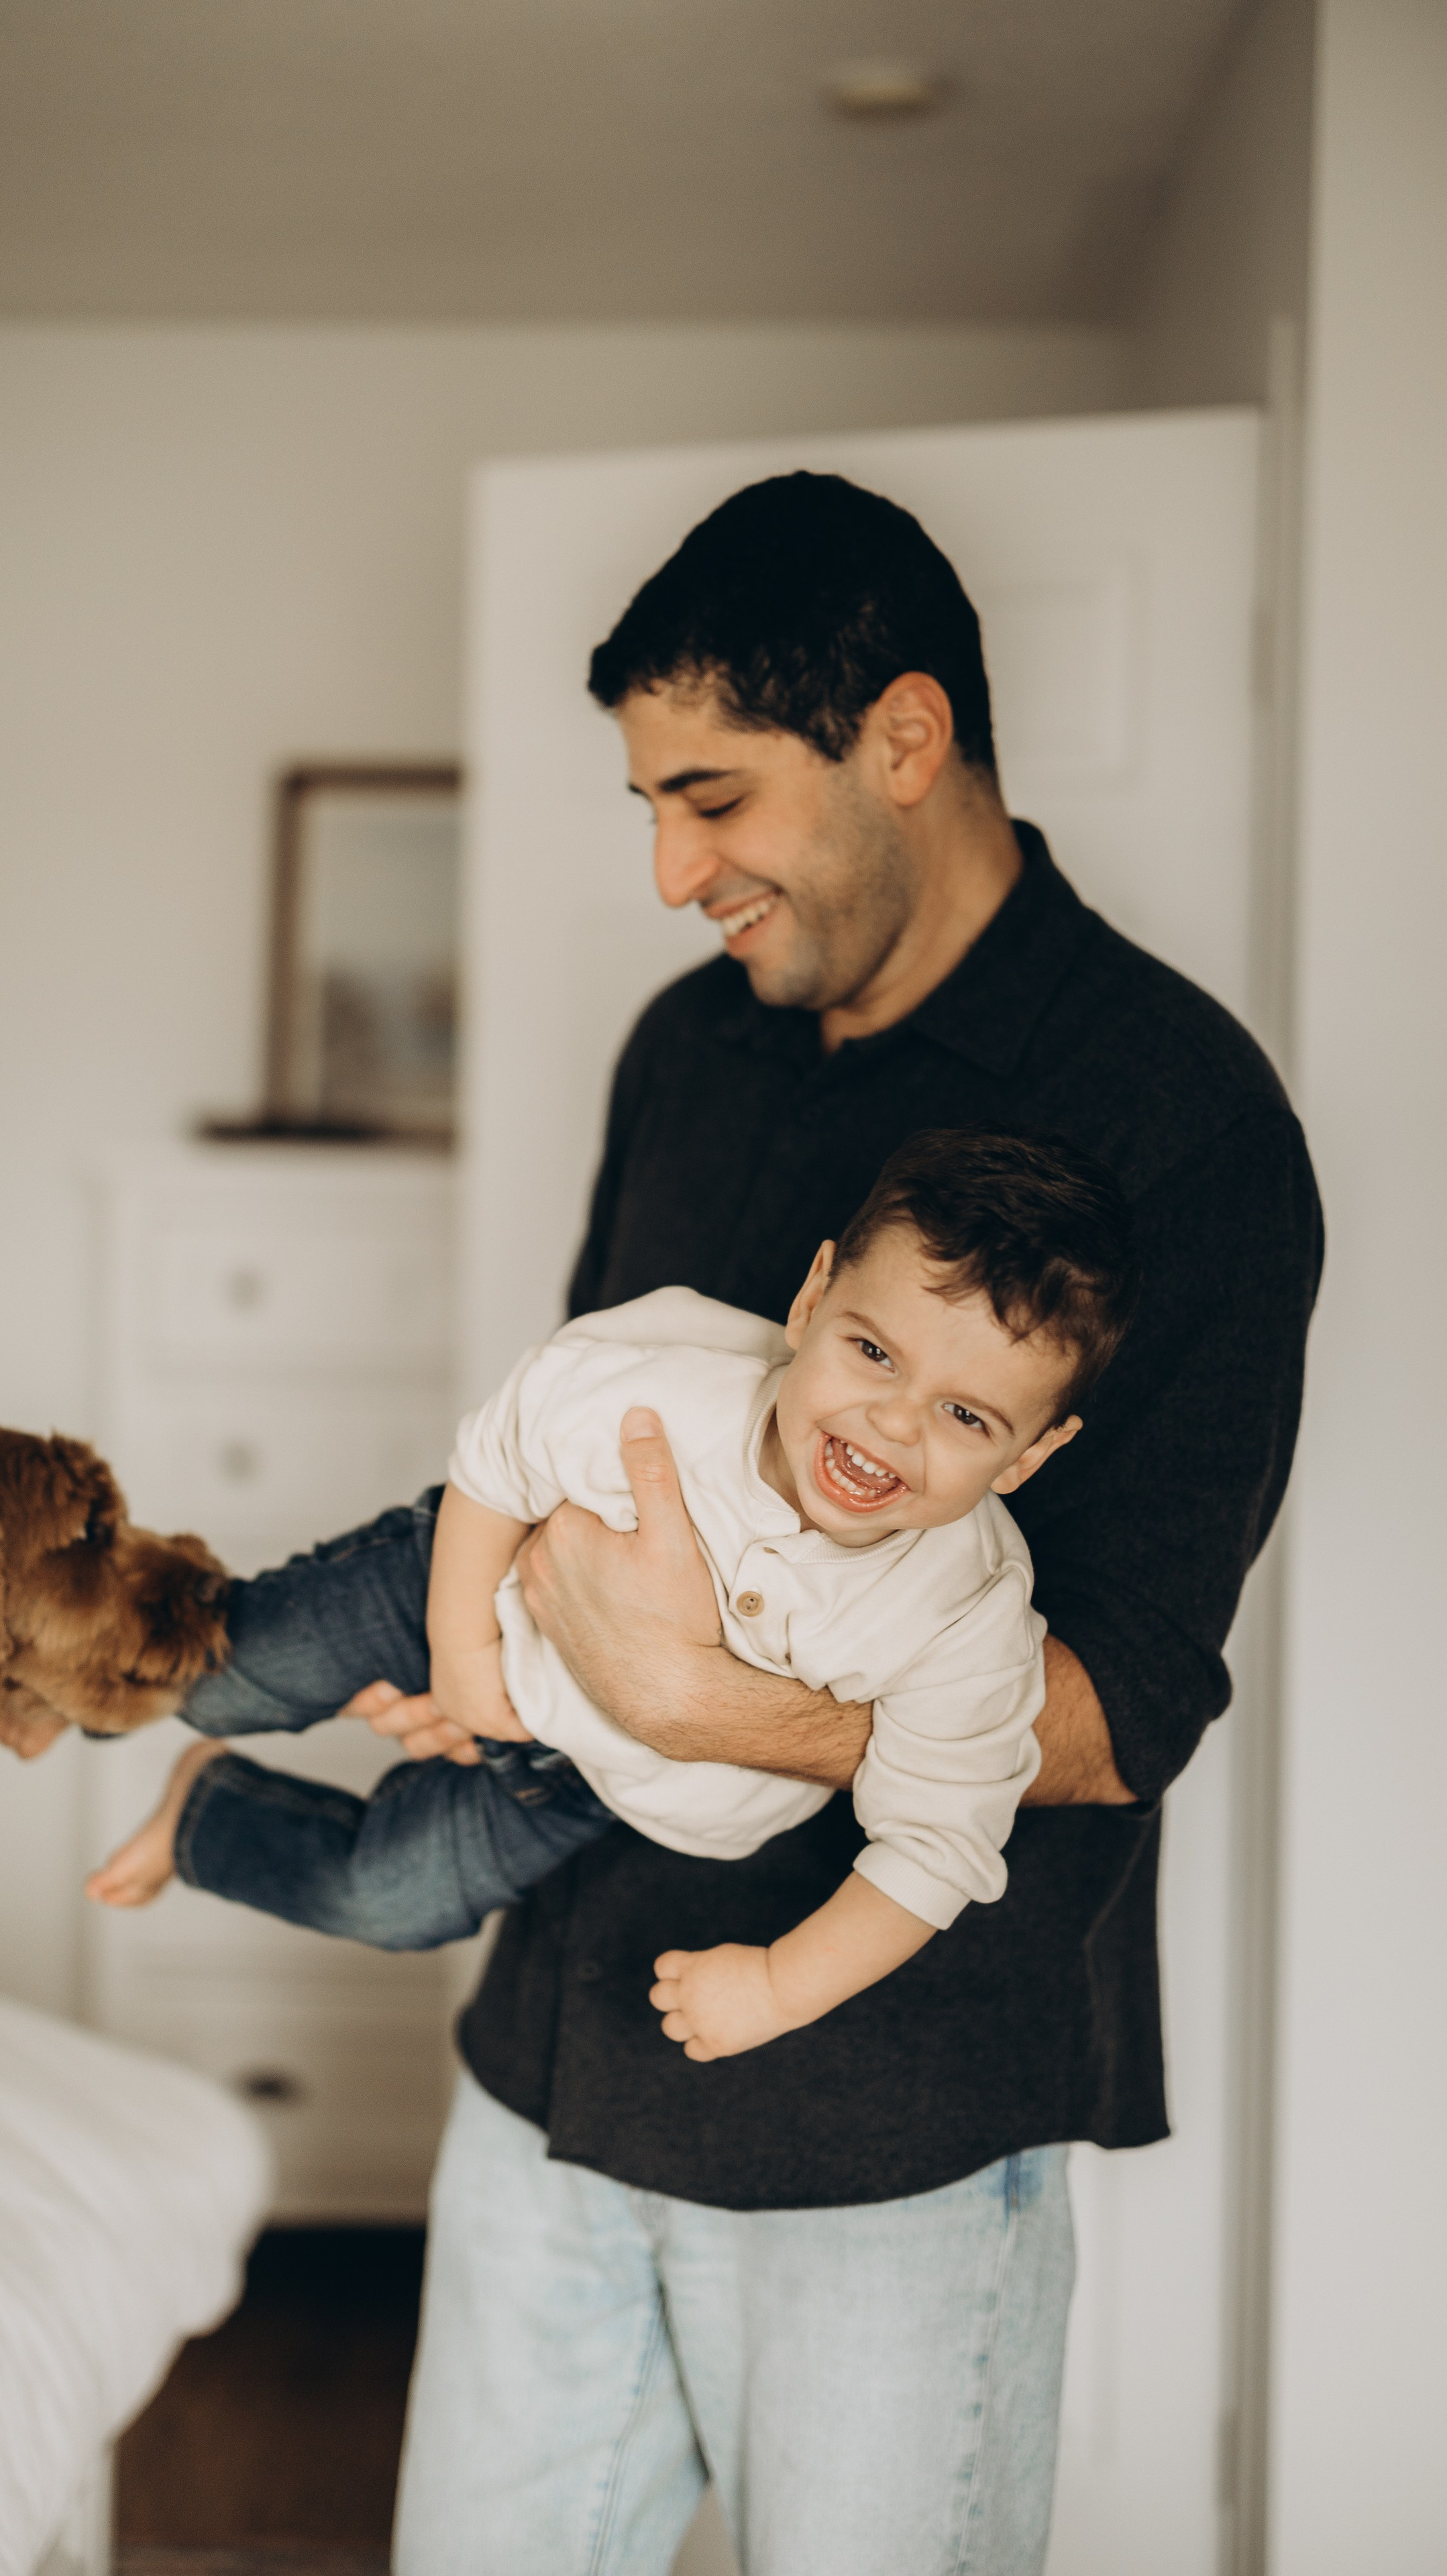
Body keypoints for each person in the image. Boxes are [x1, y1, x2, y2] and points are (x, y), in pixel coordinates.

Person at [362, 472, 1321, 2576]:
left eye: (711, 797)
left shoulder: (1186, 1116)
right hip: (548, 2074)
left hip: (895, 2128)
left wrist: (717, 1708)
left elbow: (1128, 1702)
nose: (669, 867)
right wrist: (481, 1644)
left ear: (902, 738)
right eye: (648, 805)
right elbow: (571, 1442)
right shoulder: (686, 1053)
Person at [87, 1128, 1136, 2062]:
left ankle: (205, 1817)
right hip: (474, 1570)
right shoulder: (667, 1388)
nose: (891, 1425)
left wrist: (778, 1986)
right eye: (871, 1352)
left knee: (390, 1900)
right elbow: (498, 1461)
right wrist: (460, 1645)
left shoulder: (969, 1619)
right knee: (231, 1677)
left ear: (1029, 1457)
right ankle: (44, 1660)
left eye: (966, 1416)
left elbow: (938, 1846)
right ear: (812, 1300)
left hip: (586, 1781)